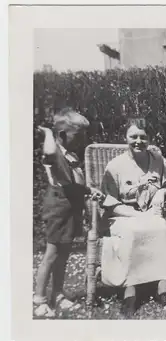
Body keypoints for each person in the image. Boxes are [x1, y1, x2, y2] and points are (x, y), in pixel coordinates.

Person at [99, 118, 166, 318]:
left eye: (143, 137)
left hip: (151, 213)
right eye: (133, 136)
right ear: (125, 137)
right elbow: (108, 202)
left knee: (162, 229)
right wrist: (134, 214)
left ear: (150, 139)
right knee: (133, 231)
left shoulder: (158, 160)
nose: (138, 141)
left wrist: (162, 192)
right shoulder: (115, 166)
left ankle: (163, 287)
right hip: (123, 215)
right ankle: (130, 290)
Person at [34, 108, 103, 318]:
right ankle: (39, 300)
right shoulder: (55, 153)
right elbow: (48, 152)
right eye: (78, 135)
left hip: (69, 209)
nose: (82, 139)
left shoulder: (70, 154)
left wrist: (89, 191)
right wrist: (48, 134)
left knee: (63, 255)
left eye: (84, 135)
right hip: (58, 210)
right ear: (62, 135)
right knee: (52, 254)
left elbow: (74, 183)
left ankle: (57, 294)